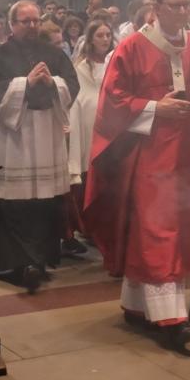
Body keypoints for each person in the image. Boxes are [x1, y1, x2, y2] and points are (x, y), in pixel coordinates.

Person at [85, 0, 190, 355]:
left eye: (188, 6)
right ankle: (171, 319)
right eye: (178, 6)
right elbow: (111, 103)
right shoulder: (131, 47)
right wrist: (152, 108)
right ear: (157, 7)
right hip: (148, 155)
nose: (186, 13)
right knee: (158, 229)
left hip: (187, 154)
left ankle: (135, 303)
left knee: (172, 227)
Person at [0, 0, 79, 293]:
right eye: (25, 21)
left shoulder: (54, 54)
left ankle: (40, 260)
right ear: (12, 24)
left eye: (36, 21)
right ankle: (17, 264)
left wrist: (53, 83)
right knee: (15, 204)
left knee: (45, 201)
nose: (32, 26)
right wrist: (25, 83)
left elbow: (71, 84)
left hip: (46, 131)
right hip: (15, 137)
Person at [67, 19, 114, 254]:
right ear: (90, 39)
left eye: (108, 35)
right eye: (100, 35)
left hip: (110, 123)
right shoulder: (81, 66)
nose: (105, 39)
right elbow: (78, 96)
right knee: (88, 174)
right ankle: (89, 226)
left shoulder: (115, 60)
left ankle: (105, 226)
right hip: (87, 121)